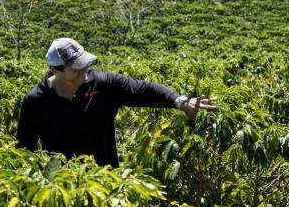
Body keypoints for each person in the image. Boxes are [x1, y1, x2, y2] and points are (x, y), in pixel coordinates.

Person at [17, 38, 216, 167]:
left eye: (85, 64)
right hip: (62, 187)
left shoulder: (103, 84)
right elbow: (24, 150)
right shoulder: (36, 100)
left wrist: (181, 102)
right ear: (55, 70)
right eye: (76, 68)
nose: (84, 71)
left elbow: (144, 90)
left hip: (106, 180)